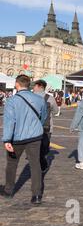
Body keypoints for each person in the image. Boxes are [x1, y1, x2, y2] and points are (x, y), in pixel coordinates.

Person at [1, 75, 48, 205]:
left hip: (17, 138)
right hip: (35, 136)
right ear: (29, 85)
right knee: (35, 165)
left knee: (12, 164)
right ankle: (37, 195)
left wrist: (6, 140)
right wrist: (36, 126)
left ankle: (9, 190)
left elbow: (10, 122)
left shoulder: (12, 101)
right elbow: (43, 116)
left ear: (17, 84)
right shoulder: (40, 99)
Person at [33, 80, 58, 173]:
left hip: (32, 126)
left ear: (40, 86)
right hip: (46, 127)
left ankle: (36, 163)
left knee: (34, 146)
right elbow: (55, 111)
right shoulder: (50, 98)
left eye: (35, 86)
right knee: (44, 147)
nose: (33, 87)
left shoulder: (31, 97)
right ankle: (42, 164)